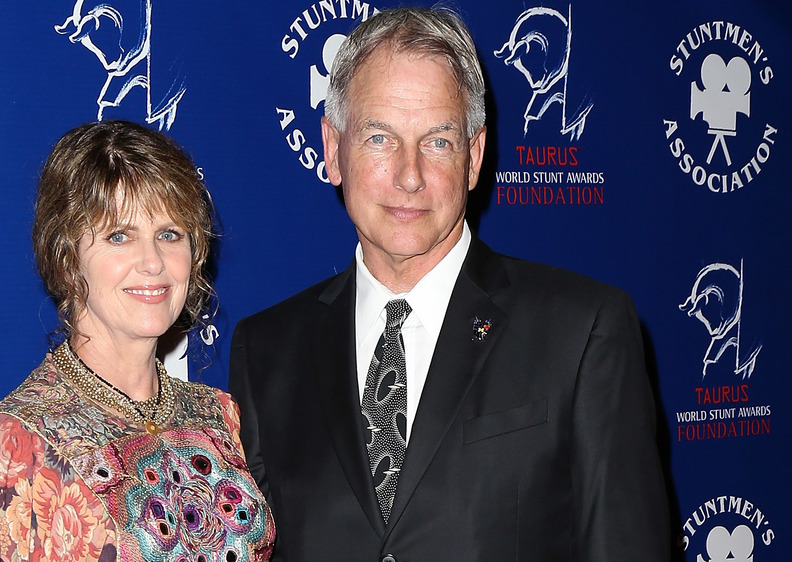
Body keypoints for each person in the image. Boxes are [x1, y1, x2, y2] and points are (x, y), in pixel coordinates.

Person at [229, 7, 669, 562]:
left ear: (475, 156)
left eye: (437, 141)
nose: (409, 175)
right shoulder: (266, 350)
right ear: (333, 149)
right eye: (380, 138)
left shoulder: (582, 332)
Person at [0, 121, 275, 561]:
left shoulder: (217, 414)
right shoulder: (15, 441)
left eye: (169, 234)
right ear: (65, 257)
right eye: (120, 236)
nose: (153, 262)